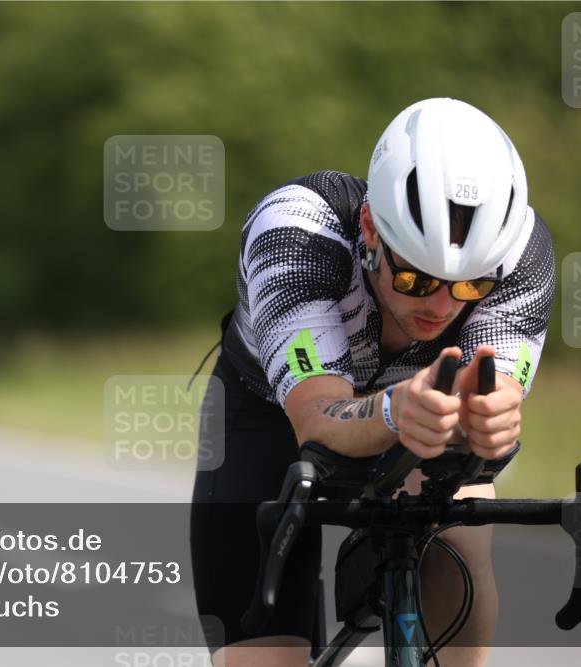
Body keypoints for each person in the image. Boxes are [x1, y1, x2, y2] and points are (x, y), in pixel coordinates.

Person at [190, 98, 555, 667]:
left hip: (418, 413)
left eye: (469, 288)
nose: (439, 307)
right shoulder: (297, 232)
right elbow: (316, 416)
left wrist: (494, 421)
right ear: (370, 229)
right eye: (415, 276)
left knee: (460, 542)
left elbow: (496, 399)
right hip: (268, 415)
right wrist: (392, 410)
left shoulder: (522, 254)